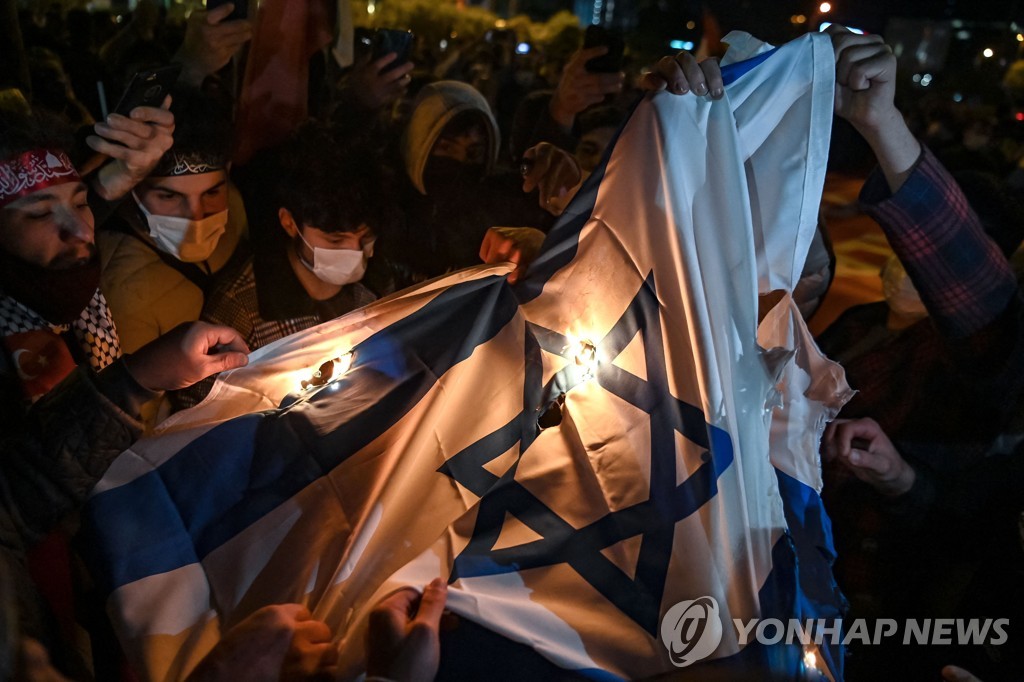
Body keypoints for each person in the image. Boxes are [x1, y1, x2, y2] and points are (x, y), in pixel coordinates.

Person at [0, 104, 251, 678]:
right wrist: (137, 380)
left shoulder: (77, 298)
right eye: (40, 212)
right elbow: (16, 493)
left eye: (83, 203)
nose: (81, 230)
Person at [97, 87, 248, 356]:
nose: (197, 216)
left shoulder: (236, 205)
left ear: (227, 174)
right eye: (168, 196)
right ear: (132, 188)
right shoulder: (122, 294)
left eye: (212, 192)